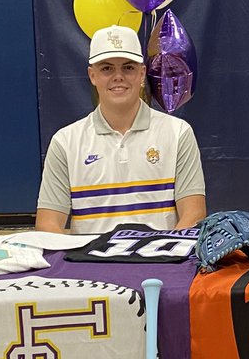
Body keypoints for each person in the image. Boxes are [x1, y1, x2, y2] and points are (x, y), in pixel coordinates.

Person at [36, 26, 206, 233]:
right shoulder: (65, 141)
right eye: (106, 68)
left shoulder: (178, 133)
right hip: (91, 266)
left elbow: (193, 215)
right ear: (92, 75)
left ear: (142, 73)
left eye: (128, 68)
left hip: (157, 263)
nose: (118, 76)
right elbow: (47, 225)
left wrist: (166, 260)